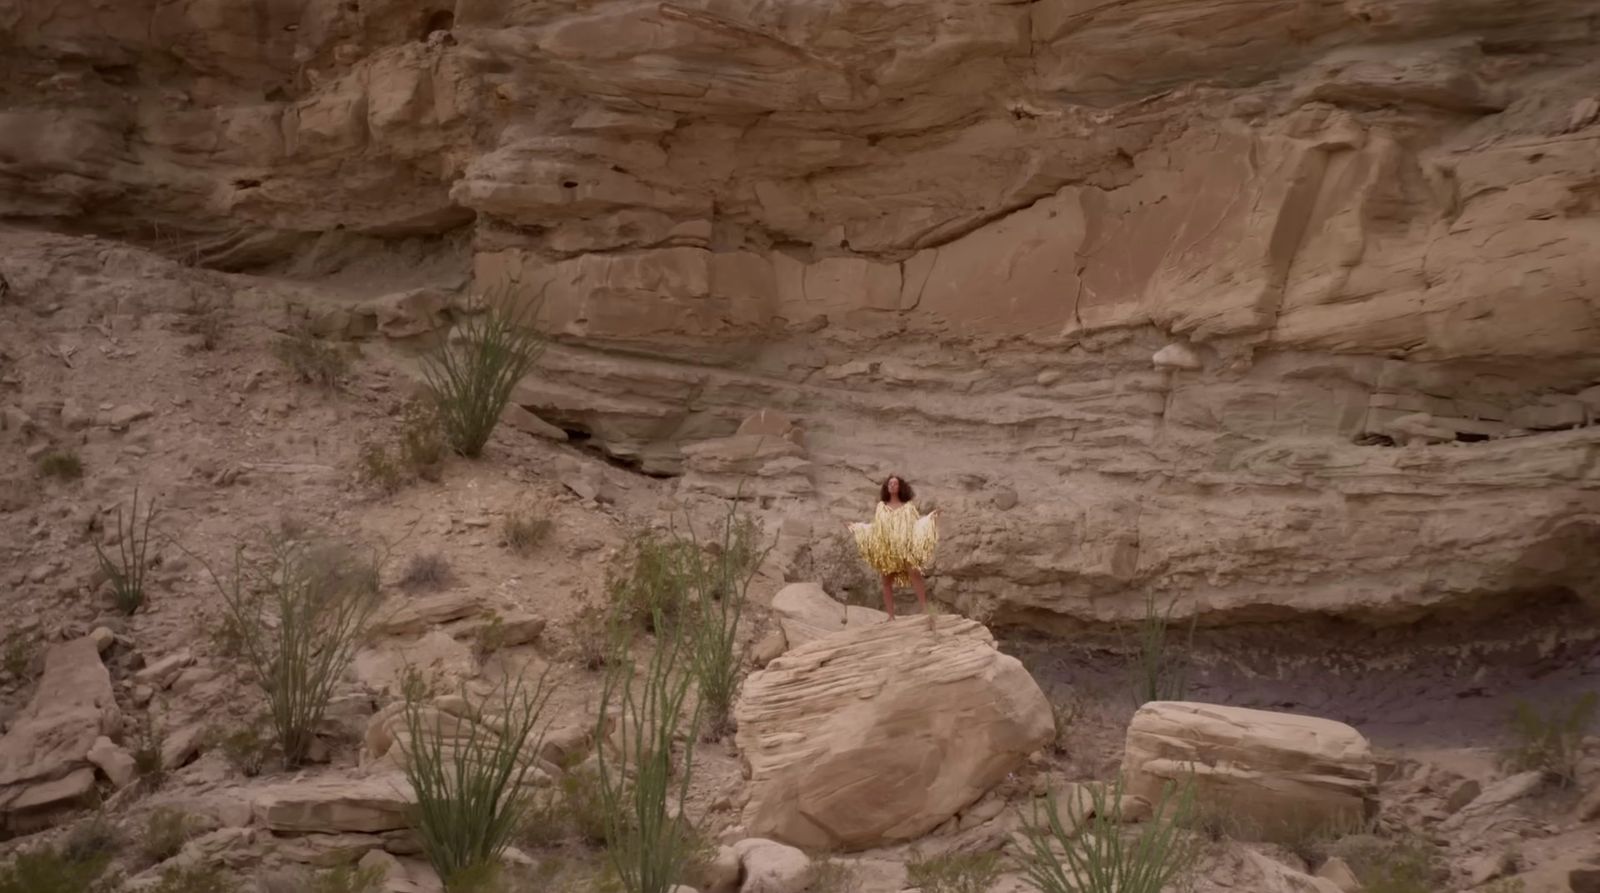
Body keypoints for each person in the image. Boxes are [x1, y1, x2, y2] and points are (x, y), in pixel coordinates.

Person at [848, 474, 940, 625]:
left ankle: (925, 610)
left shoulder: (908, 507)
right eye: (889, 484)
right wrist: (857, 527)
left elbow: (916, 526)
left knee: (915, 574)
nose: (892, 486)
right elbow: (877, 528)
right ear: (886, 487)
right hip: (887, 551)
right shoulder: (881, 507)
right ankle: (891, 616)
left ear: (900, 487)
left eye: (895, 484)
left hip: (906, 548)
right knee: (886, 582)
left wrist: (930, 518)